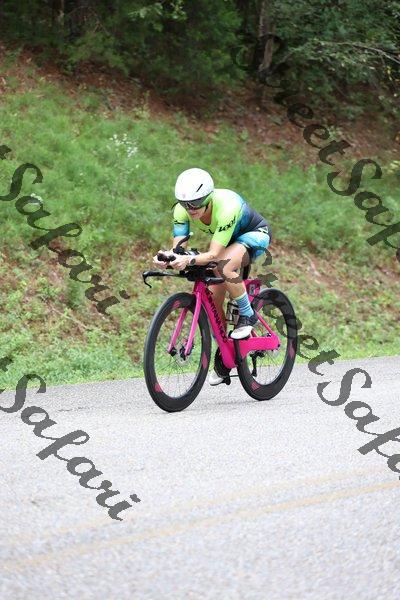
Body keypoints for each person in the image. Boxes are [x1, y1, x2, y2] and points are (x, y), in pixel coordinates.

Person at [153, 167, 271, 386]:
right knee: (213, 299)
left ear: (207, 197)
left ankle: (248, 315)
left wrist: (189, 259)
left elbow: (215, 254)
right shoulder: (181, 210)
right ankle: (225, 350)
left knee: (223, 265)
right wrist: (170, 258)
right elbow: (179, 249)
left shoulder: (226, 207)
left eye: (196, 203)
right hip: (226, 241)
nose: (190, 209)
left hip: (254, 235)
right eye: (185, 204)